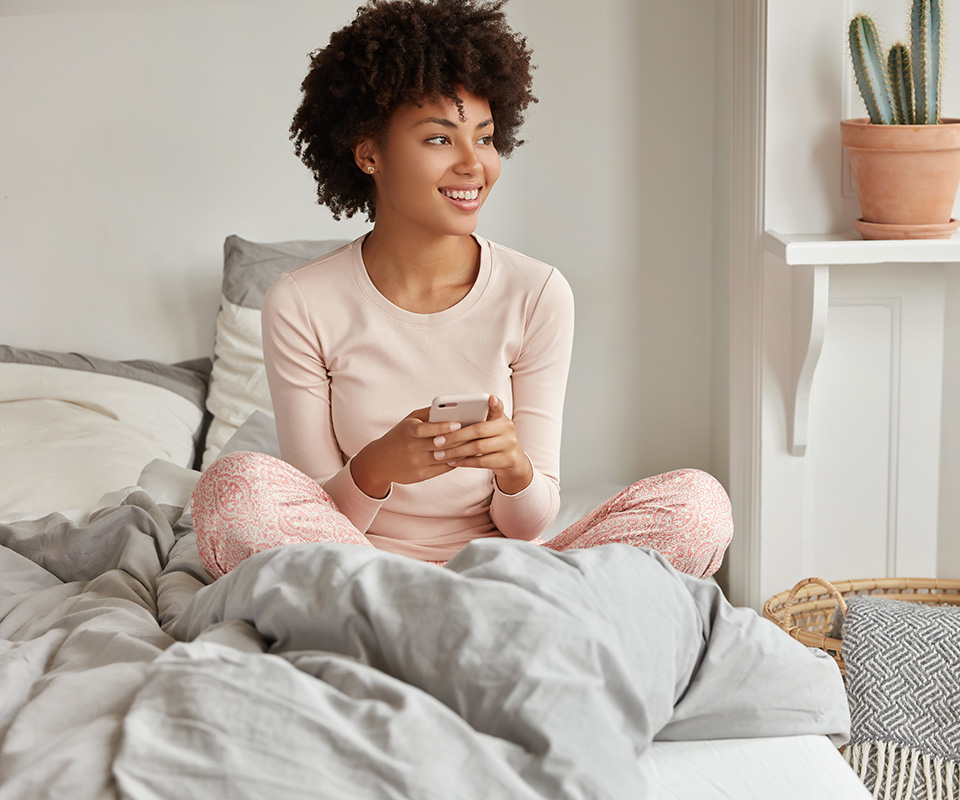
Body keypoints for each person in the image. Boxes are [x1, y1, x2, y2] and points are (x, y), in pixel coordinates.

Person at [190, 0, 732, 581]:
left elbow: (529, 524)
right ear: (369, 153)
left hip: (509, 573)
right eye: (439, 140)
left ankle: (434, 630)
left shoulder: (537, 293)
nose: (475, 165)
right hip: (361, 573)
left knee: (698, 505)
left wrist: (514, 471)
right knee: (233, 486)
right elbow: (317, 515)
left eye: (486, 137)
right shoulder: (301, 301)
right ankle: (476, 631)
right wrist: (376, 467)